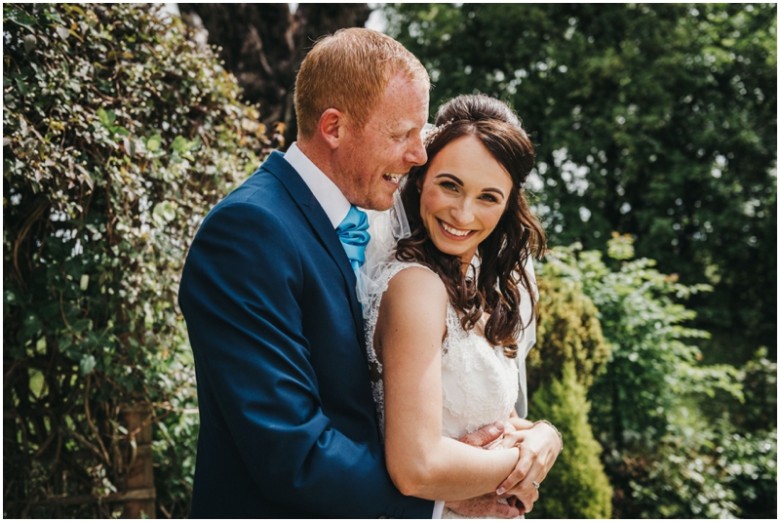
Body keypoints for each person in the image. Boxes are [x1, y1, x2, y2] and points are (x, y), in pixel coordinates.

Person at [179, 28, 518, 518]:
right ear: (334, 128)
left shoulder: (374, 223)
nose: (419, 156)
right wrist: (439, 501)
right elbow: (292, 451)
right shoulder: (248, 232)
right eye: (402, 134)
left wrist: (539, 439)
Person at [360, 94, 563, 518]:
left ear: (508, 205)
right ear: (420, 180)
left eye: (488, 197)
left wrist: (546, 437)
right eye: (450, 185)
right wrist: (520, 470)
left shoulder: (475, 287)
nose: (463, 214)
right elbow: (416, 467)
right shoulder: (417, 286)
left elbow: (492, 418)